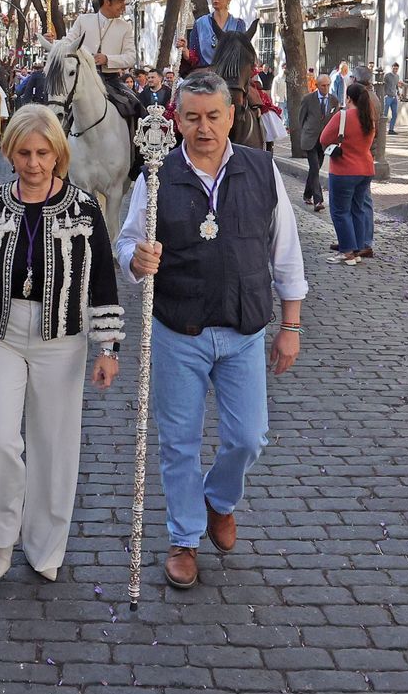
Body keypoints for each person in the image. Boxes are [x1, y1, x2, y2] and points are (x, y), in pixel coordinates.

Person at [118, 72, 306, 590]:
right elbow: (127, 241)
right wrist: (137, 258)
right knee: (178, 442)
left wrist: (290, 324)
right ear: (177, 120)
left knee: (249, 437)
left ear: (231, 116)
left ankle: (219, 499)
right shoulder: (155, 176)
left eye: (213, 116)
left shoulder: (261, 169)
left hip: (243, 328)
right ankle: (184, 538)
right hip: (179, 328)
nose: (204, 128)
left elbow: (285, 253)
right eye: (193, 117)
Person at [0, 105, 122, 582]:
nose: (33, 163)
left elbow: (102, 281)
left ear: (58, 153)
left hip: (62, 337)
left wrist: (108, 348)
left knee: (55, 446)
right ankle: (1, 534)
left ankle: (45, 546)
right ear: (9, 151)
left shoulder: (83, 208)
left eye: (42, 152)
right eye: (23, 152)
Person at [58, 0, 140, 121]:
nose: (123, 7)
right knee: (62, 110)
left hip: (111, 81)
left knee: (136, 105)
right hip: (83, 80)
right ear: (107, 2)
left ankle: (136, 142)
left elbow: (131, 57)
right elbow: (67, 42)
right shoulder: (83, 20)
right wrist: (54, 42)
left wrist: (108, 59)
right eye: (120, 2)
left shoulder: (125, 26)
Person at [319, 82, 377, 264]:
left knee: (340, 211)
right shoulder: (369, 118)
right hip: (365, 168)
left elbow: (324, 138)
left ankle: (347, 251)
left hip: (344, 169)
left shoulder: (342, 116)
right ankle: (357, 248)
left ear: (349, 98)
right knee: (357, 209)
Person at [176, 0, 248, 71]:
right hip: (205, 75)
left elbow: (242, 54)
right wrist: (185, 50)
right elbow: (194, 57)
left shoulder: (238, 24)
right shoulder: (200, 23)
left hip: (229, 75)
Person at [297, 75, 334, 212]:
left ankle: (307, 194)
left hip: (324, 141)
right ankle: (318, 200)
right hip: (310, 139)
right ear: (317, 86)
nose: (326, 88)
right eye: (323, 85)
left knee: (315, 169)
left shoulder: (333, 100)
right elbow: (301, 119)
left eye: (328, 85)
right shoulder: (308, 99)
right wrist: (305, 134)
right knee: (314, 166)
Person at [381, 62, 402, 135]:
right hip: (388, 96)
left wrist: (398, 94)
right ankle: (382, 129)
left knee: (395, 114)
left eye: (396, 68)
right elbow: (383, 85)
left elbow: (396, 86)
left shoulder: (397, 76)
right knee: (385, 114)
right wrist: (384, 94)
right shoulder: (387, 76)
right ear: (392, 68)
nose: (395, 70)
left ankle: (391, 129)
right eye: (394, 68)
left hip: (394, 97)